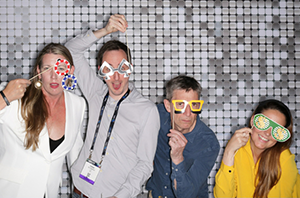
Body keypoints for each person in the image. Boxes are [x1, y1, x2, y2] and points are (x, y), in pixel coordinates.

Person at [65, 14, 160, 198]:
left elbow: (145, 163)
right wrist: (105, 31)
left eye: (122, 68)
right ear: (101, 71)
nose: (116, 77)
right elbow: (70, 51)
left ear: (130, 67)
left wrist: (121, 196)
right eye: (108, 69)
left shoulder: (147, 110)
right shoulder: (95, 92)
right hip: (79, 191)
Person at [0, 43, 86, 198]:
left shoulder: (78, 104)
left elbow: (76, 152)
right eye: (47, 68)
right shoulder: (15, 97)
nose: (53, 76)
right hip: (12, 191)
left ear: (71, 71)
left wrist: (84, 188)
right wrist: (4, 97)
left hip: (49, 192)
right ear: (39, 72)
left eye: (60, 68)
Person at [146, 75, 220, 198]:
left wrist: (178, 159)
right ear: (168, 106)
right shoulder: (157, 115)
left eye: (194, 105)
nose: (187, 113)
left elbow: (186, 195)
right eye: (180, 104)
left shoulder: (208, 143)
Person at [214, 99, 300, 198]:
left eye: (277, 130)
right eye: (264, 123)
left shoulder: (284, 158)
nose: (267, 133)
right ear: (252, 121)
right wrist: (229, 152)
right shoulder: (237, 148)